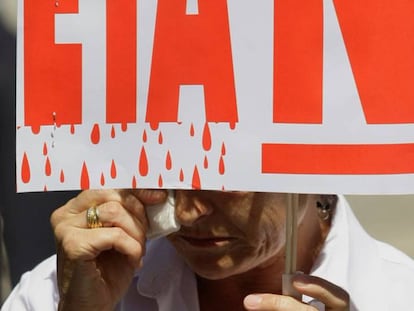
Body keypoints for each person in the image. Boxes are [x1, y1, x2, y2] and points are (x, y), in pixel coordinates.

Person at [2, 189, 414, 310]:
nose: (186, 211)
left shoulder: (398, 296)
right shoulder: (63, 291)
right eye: (162, 174)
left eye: (222, 179)